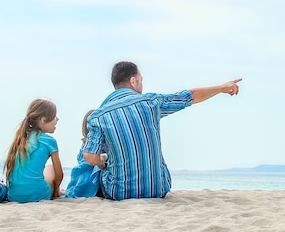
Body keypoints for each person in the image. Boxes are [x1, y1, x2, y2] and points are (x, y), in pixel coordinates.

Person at [83, 61, 241, 201]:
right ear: (133, 81)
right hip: (158, 189)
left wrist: (102, 163)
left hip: (119, 192)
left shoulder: (98, 116)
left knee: (98, 168)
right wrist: (221, 88)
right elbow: (189, 96)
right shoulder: (152, 102)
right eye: (141, 80)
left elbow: (89, 156)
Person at [4, 99, 64, 202]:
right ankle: (57, 192)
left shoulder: (20, 139)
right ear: (43, 119)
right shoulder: (50, 141)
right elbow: (59, 174)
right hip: (39, 194)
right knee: (50, 168)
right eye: (54, 116)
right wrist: (55, 190)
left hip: (14, 196)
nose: (57, 119)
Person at [64, 109, 107, 198]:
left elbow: (80, 160)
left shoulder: (84, 145)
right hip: (95, 181)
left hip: (81, 177)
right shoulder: (103, 144)